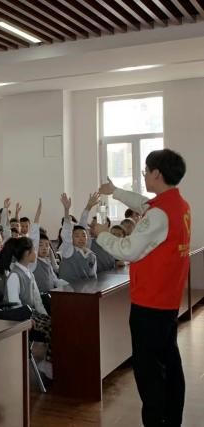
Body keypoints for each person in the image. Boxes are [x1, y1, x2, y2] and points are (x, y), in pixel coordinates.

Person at [94, 149, 190, 427]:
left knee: (148, 372)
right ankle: (172, 419)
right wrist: (115, 191)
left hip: (150, 303)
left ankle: (155, 421)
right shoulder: (178, 205)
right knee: (170, 363)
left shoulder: (159, 214)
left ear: (157, 173)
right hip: (167, 300)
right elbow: (143, 204)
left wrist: (102, 235)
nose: (144, 175)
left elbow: (128, 250)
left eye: (146, 171)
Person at [0, 237, 52, 378]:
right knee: (52, 327)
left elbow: (37, 300)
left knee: (57, 324)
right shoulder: (15, 276)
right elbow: (15, 306)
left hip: (31, 314)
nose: (36, 252)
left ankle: (49, 363)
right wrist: (28, 320)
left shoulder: (29, 274)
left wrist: (45, 315)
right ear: (27, 253)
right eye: (34, 249)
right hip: (19, 318)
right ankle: (48, 365)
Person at [58, 193, 97, 282]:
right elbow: (66, 232)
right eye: (76, 236)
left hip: (86, 288)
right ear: (71, 238)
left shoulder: (90, 254)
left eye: (84, 236)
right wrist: (66, 210)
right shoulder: (69, 251)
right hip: (68, 289)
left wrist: (88, 207)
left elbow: (83, 223)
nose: (81, 238)